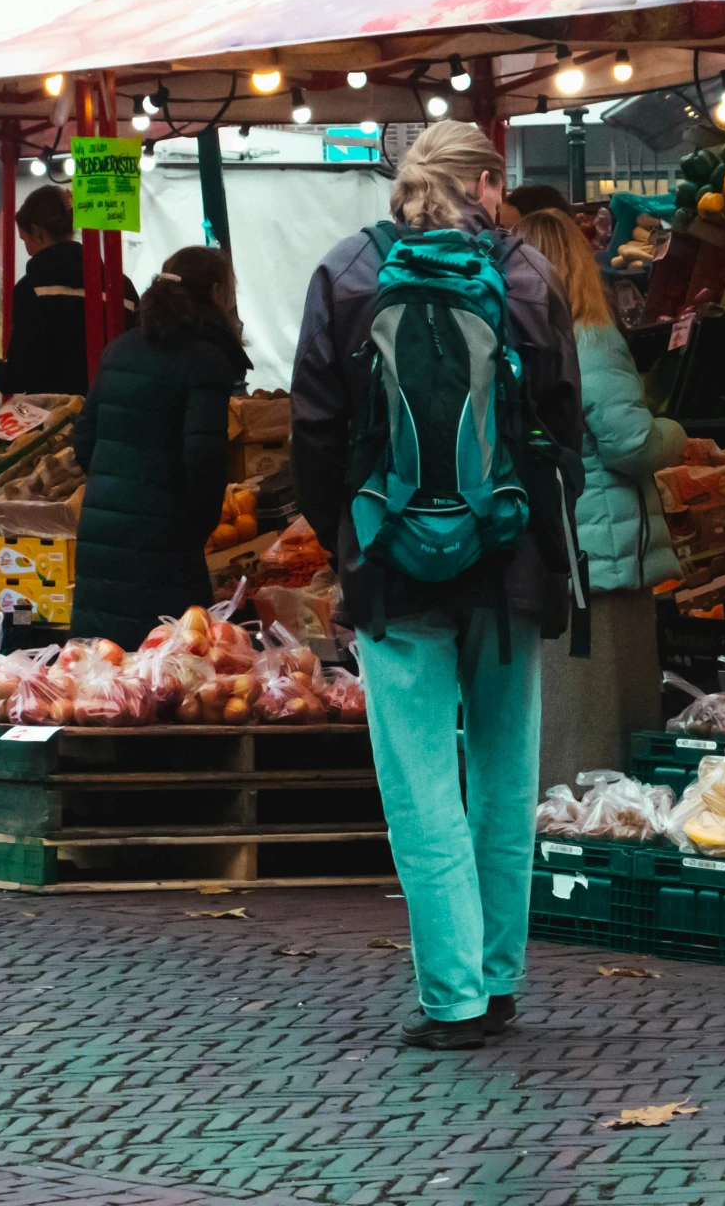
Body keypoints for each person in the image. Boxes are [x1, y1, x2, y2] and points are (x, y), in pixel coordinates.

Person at [291, 122, 584, 1050]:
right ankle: (500, 981)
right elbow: (562, 425)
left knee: (419, 782)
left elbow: (313, 432)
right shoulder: (529, 277)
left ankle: (452, 996)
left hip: (391, 570)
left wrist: (358, 532)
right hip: (509, 571)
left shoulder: (346, 273)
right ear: (487, 185)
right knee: (504, 777)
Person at [514, 207, 685, 787]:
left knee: (549, 713)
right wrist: (678, 434)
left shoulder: (505, 342)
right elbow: (631, 444)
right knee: (603, 717)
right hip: (597, 560)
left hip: (534, 552)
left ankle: (546, 833)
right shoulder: (589, 337)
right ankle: (589, 838)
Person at [71, 246, 247, 644]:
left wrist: (112, 486)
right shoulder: (205, 360)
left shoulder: (120, 348)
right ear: (217, 292)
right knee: (169, 675)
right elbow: (203, 460)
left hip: (101, 534)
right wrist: (193, 528)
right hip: (164, 543)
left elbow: (83, 439)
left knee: (106, 675)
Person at [0, 184, 134, 397]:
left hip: (53, 420)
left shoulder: (30, 289)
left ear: (38, 233)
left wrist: (2, 374)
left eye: (25, 240)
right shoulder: (122, 288)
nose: (28, 250)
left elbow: (21, 372)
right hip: (110, 413)